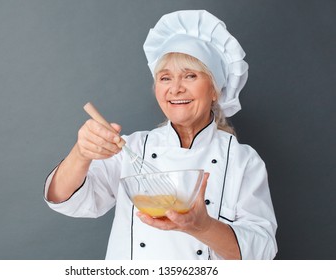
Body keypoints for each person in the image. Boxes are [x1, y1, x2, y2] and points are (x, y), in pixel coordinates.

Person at [44, 10, 277, 260]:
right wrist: (81, 153)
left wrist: (203, 227)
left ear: (214, 90)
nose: (175, 88)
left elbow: (261, 253)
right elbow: (65, 200)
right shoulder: (131, 148)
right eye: (165, 78)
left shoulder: (243, 161)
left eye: (190, 75)